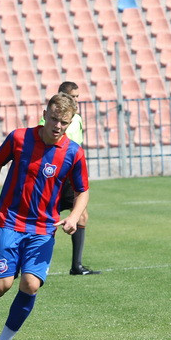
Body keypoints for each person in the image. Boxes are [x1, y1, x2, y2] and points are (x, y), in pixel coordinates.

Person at [0, 93, 89, 340]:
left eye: (64, 122)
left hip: (43, 229)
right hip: (10, 221)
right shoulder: (19, 138)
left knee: (30, 285)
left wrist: (74, 216)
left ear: (71, 122)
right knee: (1, 285)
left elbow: (82, 190)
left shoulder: (74, 152)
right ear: (45, 114)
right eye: (54, 119)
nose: (58, 126)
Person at [39, 82, 99, 275]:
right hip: (54, 176)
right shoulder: (50, 120)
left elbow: (76, 147)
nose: (76, 100)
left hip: (71, 175)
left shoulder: (77, 119)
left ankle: (76, 266)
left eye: (77, 97)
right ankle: (34, 264)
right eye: (72, 97)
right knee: (45, 219)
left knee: (81, 215)